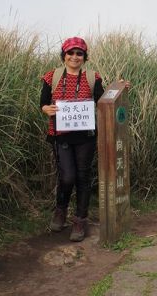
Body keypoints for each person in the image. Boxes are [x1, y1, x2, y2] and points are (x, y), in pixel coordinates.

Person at [40, 37, 104, 241]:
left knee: (83, 177)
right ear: (64, 55)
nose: (74, 57)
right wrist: (46, 109)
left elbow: (103, 102)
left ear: (84, 57)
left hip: (85, 136)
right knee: (67, 177)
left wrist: (120, 87)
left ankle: (80, 220)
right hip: (61, 136)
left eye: (79, 53)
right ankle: (61, 210)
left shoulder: (93, 77)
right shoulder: (52, 77)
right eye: (71, 53)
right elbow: (43, 103)